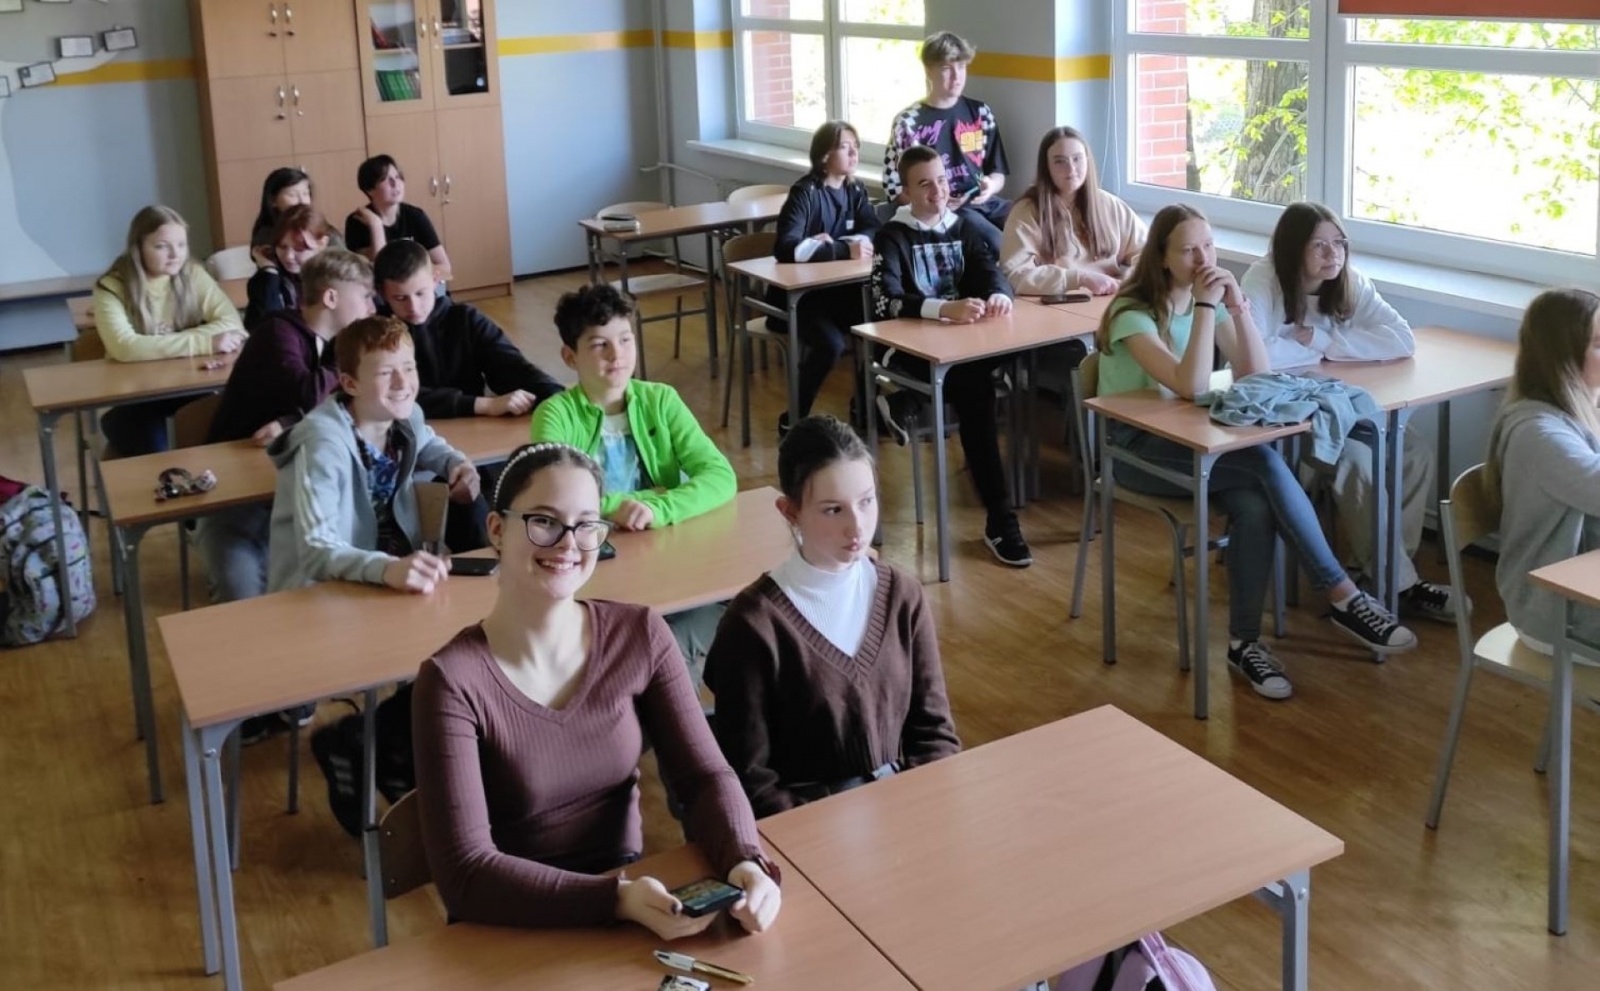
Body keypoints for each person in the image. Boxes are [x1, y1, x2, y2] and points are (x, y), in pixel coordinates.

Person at [411, 441, 782, 934]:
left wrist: (745, 860)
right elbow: (466, 874)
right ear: (496, 530)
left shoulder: (640, 634)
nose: (568, 544)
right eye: (544, 521)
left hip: (629, 907)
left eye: (586, 525)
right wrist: (615, 900)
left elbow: (704, 776)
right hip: (509, 925)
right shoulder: (451, 681)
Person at [1095, 204, 1416, 701]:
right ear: (1161, 258)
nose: (1204, 259)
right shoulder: (1131, 313)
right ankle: (1342, 594)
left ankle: (1243, 644)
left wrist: (1238, 307)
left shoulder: (1210, 301)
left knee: (1254, 504)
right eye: (1189, 250)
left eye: (1208, 246)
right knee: (1265, 463)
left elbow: (1257, 373)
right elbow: (1189, 384)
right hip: (1134, 449)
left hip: (1192, 441)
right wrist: (1207, 310)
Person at [703, 416, 960, 817]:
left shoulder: (903, 595)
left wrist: (914, 813)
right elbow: (750, 779)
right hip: (807, 824)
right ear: (789, 511)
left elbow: (935, 735)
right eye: (833, 510)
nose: (856, 526)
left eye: (866, 501)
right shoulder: (752, 625)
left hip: (904, 810)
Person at [1242, 201, 1461, 622]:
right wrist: (1333, 350)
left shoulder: (1349, 281)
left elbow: (1401, 339)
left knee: (1414, 454)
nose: (1333, 254)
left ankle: (1384, 576)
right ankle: (1400, 584)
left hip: (1344, 406)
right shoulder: (1263, 280)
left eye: (1339, 243)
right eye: (1318, 245)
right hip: (1290, 417)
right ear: (1293, 248)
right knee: (1359, 462)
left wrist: (1320, 341)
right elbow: (1257, 357)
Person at [531, 284, 736, 682]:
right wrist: (623, 505)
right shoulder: (554, 415)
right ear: (570, 356)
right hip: (594, 569)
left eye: (625, 339)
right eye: (600, 345)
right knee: (638, 651)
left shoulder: (661, 400)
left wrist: (659, 507)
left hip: (665, 558)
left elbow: (720, 475)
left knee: (674, 643)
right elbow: (556, 494)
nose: (617, 355)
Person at [871, 144, 1031, 568]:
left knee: (1011, 361)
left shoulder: (963, 227)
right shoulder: (891, 236)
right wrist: (943, 309)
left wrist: (998, 294)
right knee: (975, 391)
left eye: (941, 180)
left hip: (961, 347)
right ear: (906, 192)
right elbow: (885, 301)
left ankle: (905, 402)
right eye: (924, 184)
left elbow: (991, 270)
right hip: (910, 349)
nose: (937, 191)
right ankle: (1000, 518)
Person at [196, 250, 377, 606]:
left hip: (288, 481)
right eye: (365, 296)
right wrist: (347, 363)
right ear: (331, 297)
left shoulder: (327, 344)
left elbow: (345, 407)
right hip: (235, 488)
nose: (372, 308)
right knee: (245, 599)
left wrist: (289, 421)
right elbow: (309, 394)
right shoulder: (278, 332)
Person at [266, 314, 479, 595]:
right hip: (322, 590)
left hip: (389, 577)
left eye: (409, 368)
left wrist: (456, 463)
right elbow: (316, 549)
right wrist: (387, 568)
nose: (402, 383)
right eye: (385, 373)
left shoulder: (407, 417)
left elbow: (427, 442)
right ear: (350, 384)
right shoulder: (322, 444)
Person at [1484, 288, 1600, 654]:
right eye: (1599, 344)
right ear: (1563, 356)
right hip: (1557, 615)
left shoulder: (1585, 406)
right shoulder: (1538, 432)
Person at [92, 205, 246, 455]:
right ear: (138, 247)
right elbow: (125, 347)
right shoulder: (111, 287)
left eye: (182, 245)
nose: (175, 255)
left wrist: (157, 344)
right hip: (136, 396)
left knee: (227, 426)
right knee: (156, 450)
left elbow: (232, 324)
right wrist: (206, 342)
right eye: (162, 246)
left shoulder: (193, 273)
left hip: (190, 385)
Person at [771, 120, 881, 434]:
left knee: (877, 328)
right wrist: (842, 250)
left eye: (856, 147)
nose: (854, 154)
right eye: (845, 147)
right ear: (823, 155)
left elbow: (872, 228)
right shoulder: (805, 192)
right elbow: (786, 247)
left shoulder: (855, 189)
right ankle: (794, 418)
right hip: (801, 301)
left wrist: (846, 243)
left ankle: (865, 408)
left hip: (838, 294)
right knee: (831, 345)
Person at [374, 239, 563, 420]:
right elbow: (392, 395)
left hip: (472, 424)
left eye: (420, 293)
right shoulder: (376, 333)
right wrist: (483, 405)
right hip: (408, 428)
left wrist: (555, 396)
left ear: (435, 279)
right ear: (383, 293)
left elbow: (511, 365)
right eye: (400, 298)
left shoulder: (465, 318)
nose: (413, 307)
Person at [883, 31, 1011, 256]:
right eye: (946, 68)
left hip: (984, 202)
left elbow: (997, 172)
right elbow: (894, 188)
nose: (956, 76)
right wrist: (935, 206)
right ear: (928, 71)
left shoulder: (980, 112)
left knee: (1035, 224)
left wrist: (990, 186)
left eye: (961, 67)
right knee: (999, 243)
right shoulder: (908, 122)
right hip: (943, 210)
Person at [999, 126, 1145, 296]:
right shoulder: (1026, 212)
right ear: (1046, 167)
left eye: (1077, 159)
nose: (1071, 169)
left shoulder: (1110, 205)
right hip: (1057, 302)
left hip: (1109, 298)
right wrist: (1079, 278)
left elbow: (1149, 253)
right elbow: (1016, 275)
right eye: (1060, 161)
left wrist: (1131, 278)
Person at [344, 154, 452, 289]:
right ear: (369, 190)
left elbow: (444, 267)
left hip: (421, 288)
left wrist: (416, 282)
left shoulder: (415, 216)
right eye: (385, 179)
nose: (395, 184)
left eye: (397, 177)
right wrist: (376, 226)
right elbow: (379, 274)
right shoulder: (357, 222)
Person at [243, 204, 334, 329]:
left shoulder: (336, 278)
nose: (288, 256)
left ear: (322, 244)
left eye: (299, 249)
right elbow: (265, 328)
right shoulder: (265, 280)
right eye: (282, 247)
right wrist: (269, 271)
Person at [249, 167, 313, 248]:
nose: (302, 201)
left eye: (305, 193)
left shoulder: (316, 224)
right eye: (292, 195)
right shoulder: (265, 236)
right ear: (273, 200)